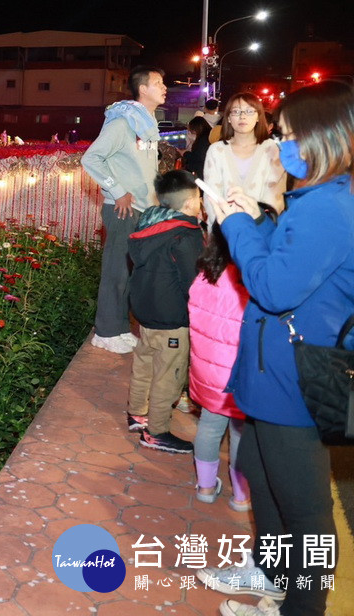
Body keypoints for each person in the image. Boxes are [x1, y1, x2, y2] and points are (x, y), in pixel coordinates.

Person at [199, 80, 354, 616]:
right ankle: (272, 575)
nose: (283, 145)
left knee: (306, 509)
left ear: (324, 136)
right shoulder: (317, 200)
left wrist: (235, 223)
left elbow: (273, 287)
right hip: (273, 367)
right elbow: (287, 264)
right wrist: (259, 221)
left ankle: (299, 606)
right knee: (263, 479)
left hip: (298, 373)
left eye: (289, 135)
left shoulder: (332, 205)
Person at [81, 66, 165, 354]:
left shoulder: (145, 123)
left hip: (143, 209)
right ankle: (104, 332)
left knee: (130, 273)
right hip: (122, 210)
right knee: (116, 271)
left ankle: (118, 328)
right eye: (158, 83)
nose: (164, 87)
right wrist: (116, 190)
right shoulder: (123, 123)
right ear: (143, 89)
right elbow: (91, 158)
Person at [125, 169, 204, 453]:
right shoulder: (187, 235)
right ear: (188, 203)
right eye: (198, 198)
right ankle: (156, 431)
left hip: (145, 312)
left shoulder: (148, 223)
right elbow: (193, 283)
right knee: (168, 376)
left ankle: (136, 412)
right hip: (172, 319)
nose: (200, 204)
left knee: (144, 363)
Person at [187, 223, 255, 511]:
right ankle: (241, 495)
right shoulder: (250, 281)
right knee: (241, 433)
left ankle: (205, 487)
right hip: (240, 374)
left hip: (208, 371)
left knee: (209, 427)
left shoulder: (203, 276)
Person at [202, 94, 286, 224]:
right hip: (225, 229)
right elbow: (211, 196)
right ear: (229, 118)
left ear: (258, 116)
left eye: (249, 111)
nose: (242, 116)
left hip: (261, 229)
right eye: (236, 111)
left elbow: (276, 196)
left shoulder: (271, 149)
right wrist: (224, 227)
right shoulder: (216, 150)